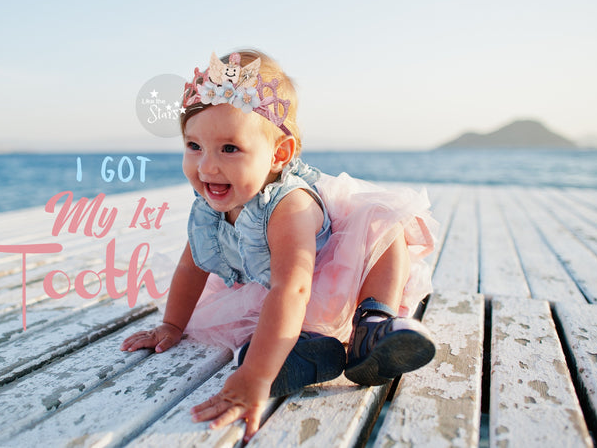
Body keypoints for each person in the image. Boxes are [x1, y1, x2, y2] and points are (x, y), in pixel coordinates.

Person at [121, 50, 437, 441]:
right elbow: (193, 267)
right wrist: (172, 324)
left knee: (382, 222)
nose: (206, 167)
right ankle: (304, 350)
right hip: (275, 292)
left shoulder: (289, 205)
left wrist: (254, 376)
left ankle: (373, 322)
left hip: (325, 278)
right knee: (250, 342)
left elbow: (294, 287)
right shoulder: (208, 206)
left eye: (229, 148)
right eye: (194, 146)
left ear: (279, 154)